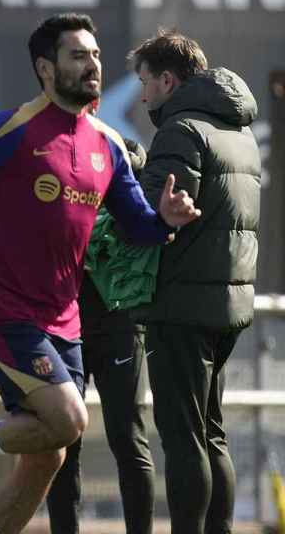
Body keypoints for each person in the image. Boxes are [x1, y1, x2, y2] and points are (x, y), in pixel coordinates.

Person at [0, 13, 201, 534]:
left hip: (67, 322)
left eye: (95, 55)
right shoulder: (12, 128)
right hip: (6, 314)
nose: (92, 65)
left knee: (50, 454)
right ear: (45, 68)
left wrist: (166, 223)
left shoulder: (107, 144)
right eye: (77, 55)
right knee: (69, 421)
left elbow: (137, 226)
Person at [129, 29, 260, 534]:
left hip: (179, 304)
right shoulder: (239, 131)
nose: (142, 96)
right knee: (212, 433)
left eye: (145, 82)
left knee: (184, 438)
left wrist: (129, 183)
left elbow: (155, 211)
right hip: (227, 303)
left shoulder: (182, 129)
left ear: (168, 79)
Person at [46, 99, 157, 534]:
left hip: (118, 327)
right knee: (63, 442)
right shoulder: (65, 194)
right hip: (66, 328)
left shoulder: (135, 201)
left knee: (127, 440)